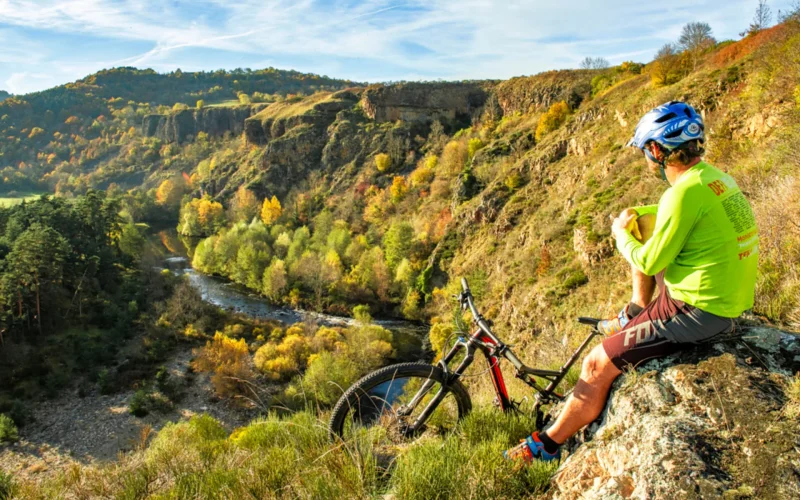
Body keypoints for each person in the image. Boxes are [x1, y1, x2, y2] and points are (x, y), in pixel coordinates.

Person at [504, 101, 759, 463]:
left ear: (656, 150)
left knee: (595, 364)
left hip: (697, 311)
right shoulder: (714, 179)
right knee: (641, 224)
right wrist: (637, 216)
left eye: (645, 152)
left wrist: (621, 233)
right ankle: (636, 311)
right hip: (723, 296)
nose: (646, 159)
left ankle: (543, 447)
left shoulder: (682, 194)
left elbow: (649, 259)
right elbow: (686, 218)